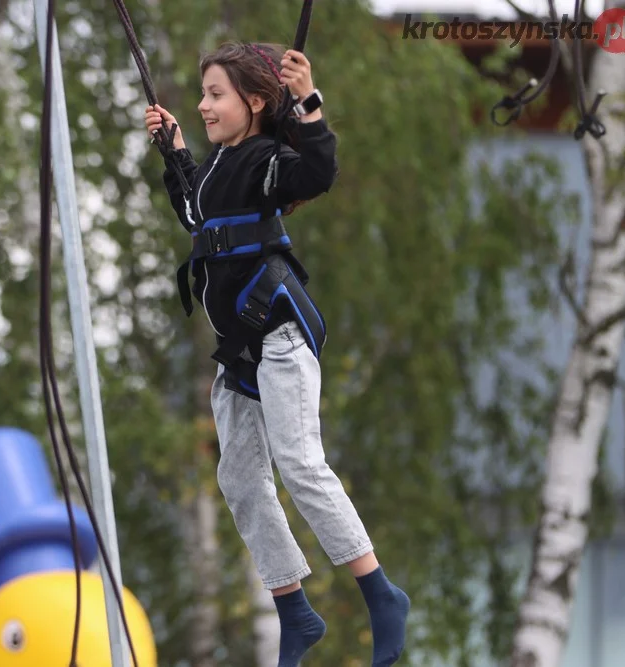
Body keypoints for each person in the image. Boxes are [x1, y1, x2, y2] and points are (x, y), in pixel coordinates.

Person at [144, 42, 410, 667]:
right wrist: (175, 148)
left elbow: (316, 173)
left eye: (215, 95)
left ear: (255, 102)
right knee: (238, 478)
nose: (205, 105)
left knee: (299, 462)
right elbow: (194, 212)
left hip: (279, 335)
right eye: (203, 95)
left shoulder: (267, 159)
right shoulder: (218, 164)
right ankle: (294, 609)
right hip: (240, 351)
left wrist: (308, 102)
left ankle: (380, 594)